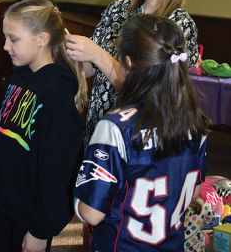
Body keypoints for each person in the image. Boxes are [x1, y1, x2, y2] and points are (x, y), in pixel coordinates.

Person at [73, 14, 210, 252]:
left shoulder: (115, 128)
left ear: (128, 62)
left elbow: (91, 213)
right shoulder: (195, 124)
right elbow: (194, 192)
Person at [65, 0, 199, 145]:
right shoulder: (118, 10)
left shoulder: (179, 25)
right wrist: (71, 51)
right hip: (99, 130)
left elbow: (150, 95)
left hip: (140, 141)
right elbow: (89, 69)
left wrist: (97, 54)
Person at [0, 0, 87, 252]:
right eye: (5, 38)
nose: (6, 46)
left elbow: (58, 168)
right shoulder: (18, 78)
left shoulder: (57, 93)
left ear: (41, 39)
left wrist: (42, 228)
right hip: (3, 203)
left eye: (13, 39)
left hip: (30, 215)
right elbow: (1, 143)